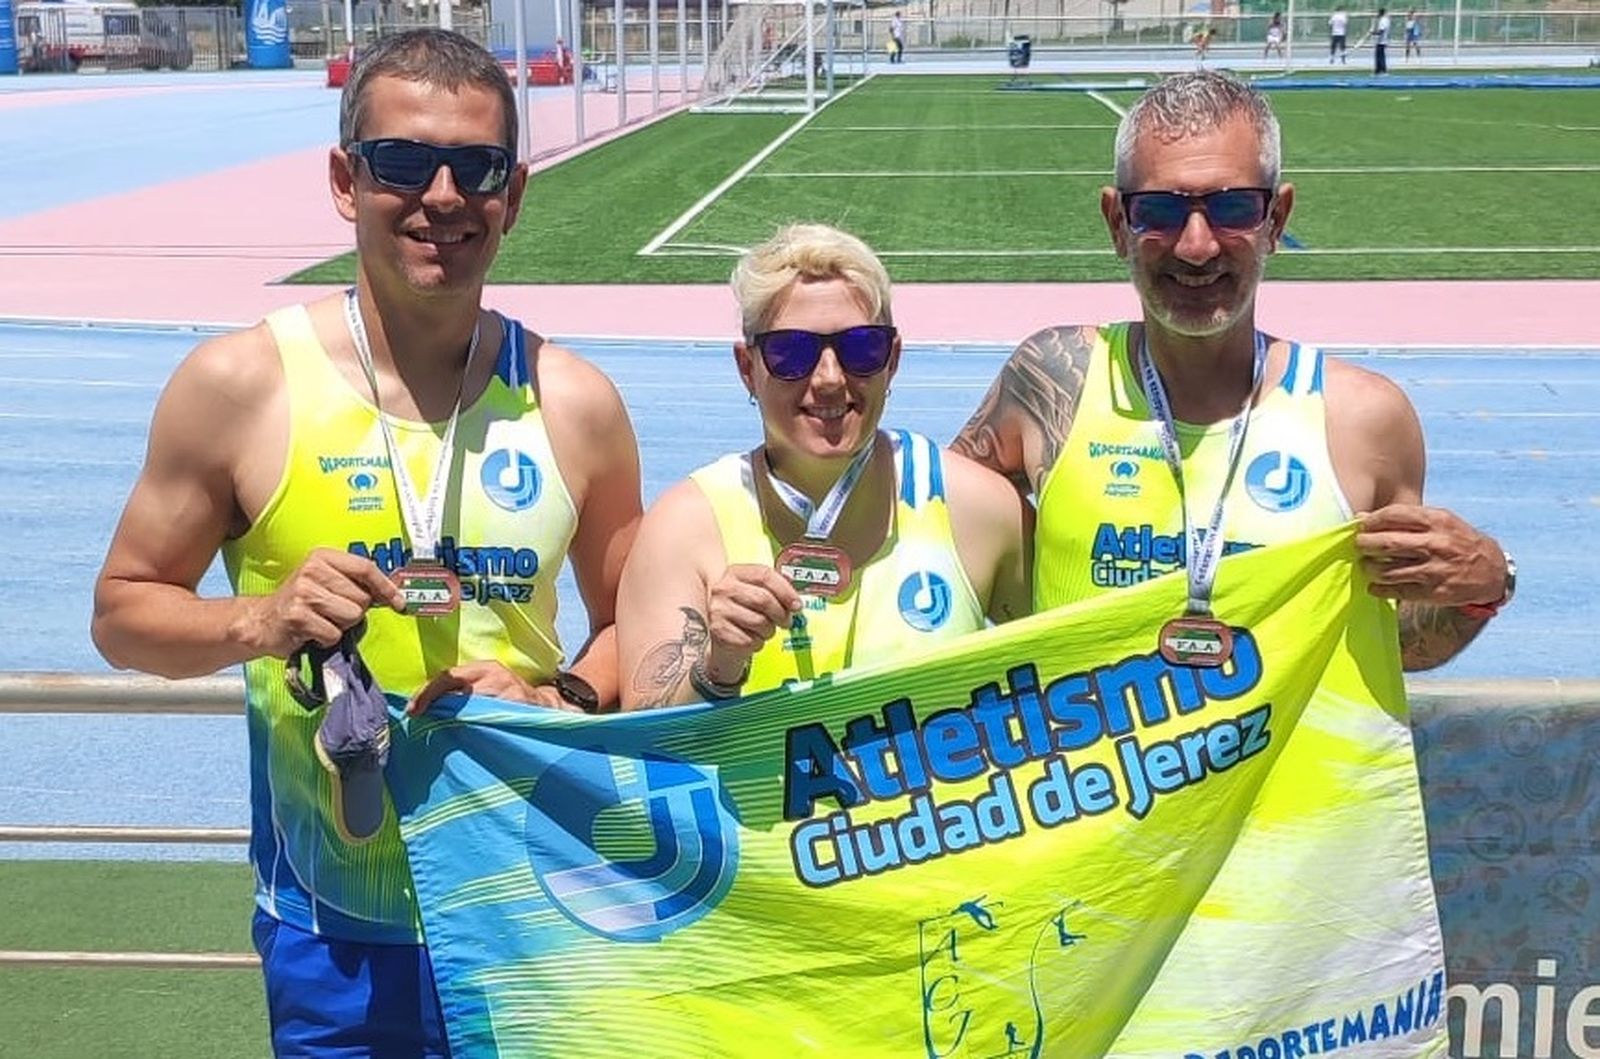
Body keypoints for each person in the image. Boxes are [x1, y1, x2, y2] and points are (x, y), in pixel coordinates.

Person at [90, 28, 643, 1057]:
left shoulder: (575, 403)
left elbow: (639, 630)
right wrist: (261, 618)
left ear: (512, 196)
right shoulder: (240, 388)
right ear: (346, 182)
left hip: (530, 907)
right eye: (401, 162)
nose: (442, 195)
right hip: (333, 931)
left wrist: (563, 695)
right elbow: (123, 616)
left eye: (475, 169)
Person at [951, 71, 1513, 674]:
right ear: (1118, 223)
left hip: (1292, 773)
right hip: (1096, 768)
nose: (1197, 245)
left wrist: (1483, 587)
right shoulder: (1051, 382)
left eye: (1233, 208)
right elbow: (930, 546)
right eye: (1161, 210)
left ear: (1276, 218)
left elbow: (1395, 639)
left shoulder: (1362, 419)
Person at [616, 223, 1032, 709]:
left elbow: (1088, 673)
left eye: (862, 349)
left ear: (893, 359)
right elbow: (644, 745)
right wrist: (718, 664)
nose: (831, 379)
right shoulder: (685, 527)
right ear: (747, 369)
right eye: (792, 353)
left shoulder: (980, 510)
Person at [1369, 7, 1392, 74]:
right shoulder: (1385, 20)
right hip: (1380, 40)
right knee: (1379, 56)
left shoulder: (1384, 20)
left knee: (1380, 57)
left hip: (1381, 41)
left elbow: (1381, 31)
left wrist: (1373, 33)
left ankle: (1382, 70)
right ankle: (1378, 70)